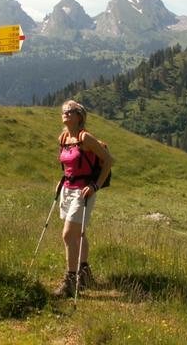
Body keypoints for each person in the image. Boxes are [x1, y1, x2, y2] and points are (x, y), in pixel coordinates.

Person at [53, 100, 113, 298]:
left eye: (70, 111)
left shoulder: (85, 137)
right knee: (79, 233)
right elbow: (68, 165)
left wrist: (95, 186)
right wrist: (62, 181)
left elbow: (108, 161)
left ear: (80, 116)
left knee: (68, 234)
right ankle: (84, 272)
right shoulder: (63, 138)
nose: (66, 113)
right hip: (67, 190)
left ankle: (70, 282)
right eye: (64, 111)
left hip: (83, 192)